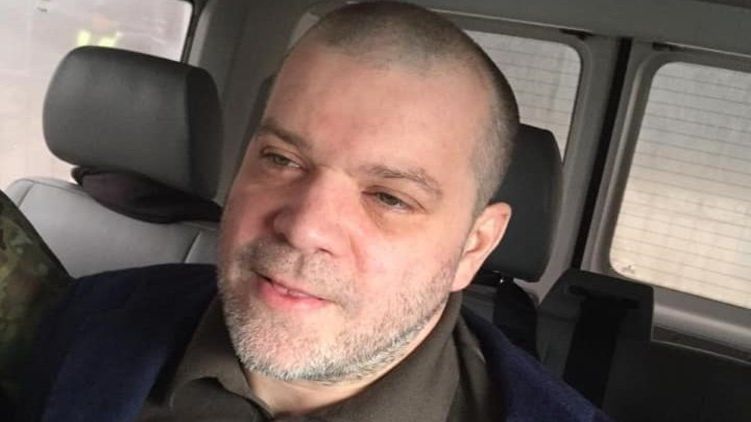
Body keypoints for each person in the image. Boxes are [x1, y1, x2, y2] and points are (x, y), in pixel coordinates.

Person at [19, 2, 609, 421]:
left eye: (389, 197)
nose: (304, 228)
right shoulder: (86, 319)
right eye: (281, 160)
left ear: (473, 247)